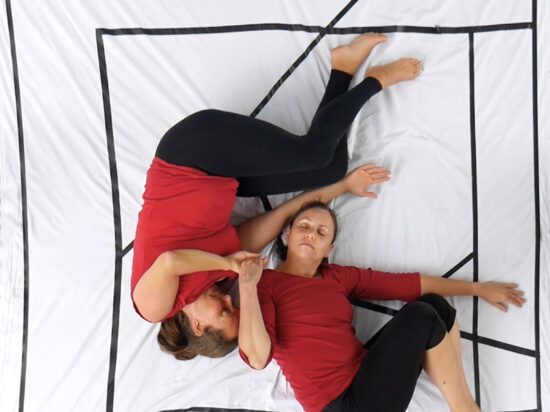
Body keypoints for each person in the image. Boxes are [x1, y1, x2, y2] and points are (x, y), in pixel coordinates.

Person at [131, 33, 421, 359]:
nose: (229, 300)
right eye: (233, 308)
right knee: (331, 168)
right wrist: (343, 187)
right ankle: (343, 66)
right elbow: (280, 216)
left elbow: (169, 262)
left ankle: (375, 81)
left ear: (197, 326)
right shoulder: (221, 277)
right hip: (225, 177)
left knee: (313, 152)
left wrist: (227, 262)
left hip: (189, 154)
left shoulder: (156, 307)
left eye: (224, 311)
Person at [236, 202, 527, 412]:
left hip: (367, 380)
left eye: (322, 232)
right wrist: (247, 287)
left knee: (434, 305)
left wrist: (477, 289)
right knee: (422, 316)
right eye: (304, 226)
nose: (311, 233)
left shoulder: (337, 277)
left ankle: (463, 407)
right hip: (340, 405)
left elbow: (408, 284)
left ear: (329, 250)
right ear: (287, 235)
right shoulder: (266, 282)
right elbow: (258, 358)